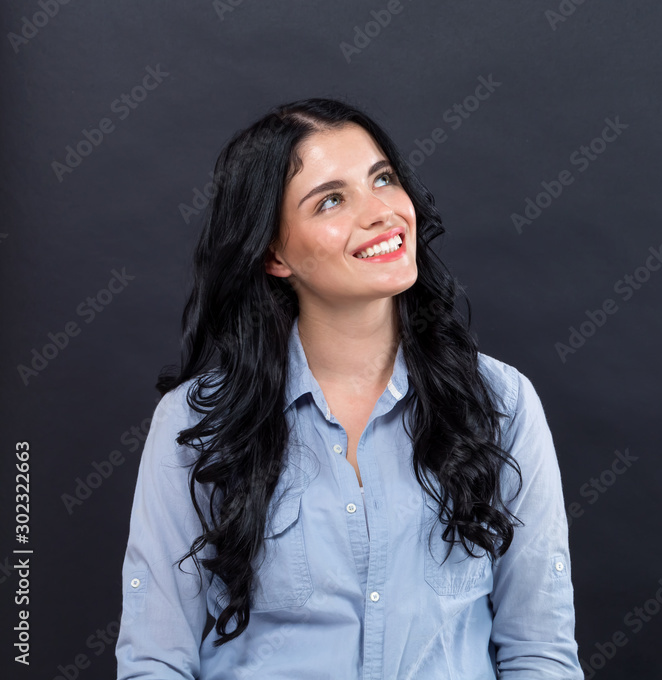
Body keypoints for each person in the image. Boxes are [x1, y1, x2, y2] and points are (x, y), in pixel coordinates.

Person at [114, 98, 584, 679]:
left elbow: (539, 654)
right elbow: (155, 661)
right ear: (274, 253)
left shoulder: (502, 404)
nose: (381, 212)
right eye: (332, 199)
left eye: (383, 179)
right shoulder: (194, 422)